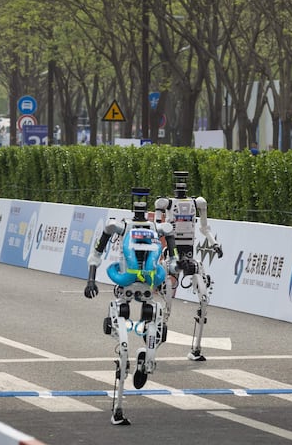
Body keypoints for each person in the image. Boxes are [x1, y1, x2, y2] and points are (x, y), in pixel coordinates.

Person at [84, 188, 177, 426]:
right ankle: (118, 409)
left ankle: (146, 360)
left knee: (155, 333)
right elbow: (97, 252)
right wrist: (91, 279)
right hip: (124, 288)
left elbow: (172, 252)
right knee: (123, 349)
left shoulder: (157, 228)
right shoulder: (119, 226)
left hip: (149, 287)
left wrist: (176, 263)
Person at [154, 171, 223, 361]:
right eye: (179, 184)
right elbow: (157, 226)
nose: (181, 187)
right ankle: (158, 330)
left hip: (189, 253)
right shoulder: (165, 203)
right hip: (172, 253)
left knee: (203, 297)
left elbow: (204, 228)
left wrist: (214, 244)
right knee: (167, 296)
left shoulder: (197, 203)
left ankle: (197, 348)